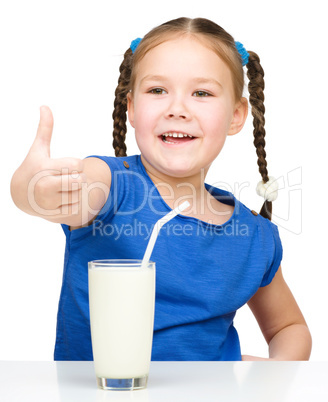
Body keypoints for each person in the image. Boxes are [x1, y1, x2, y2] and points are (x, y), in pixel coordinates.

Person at [11, 17, 311, 361]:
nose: (177, 109)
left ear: (236, 115)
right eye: (157, 90)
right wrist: (35, 189)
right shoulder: (111, 185)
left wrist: (272, 374)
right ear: (133, 108)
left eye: (202, 93)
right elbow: (68, 194)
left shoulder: (255, 237)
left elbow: (288, 328)